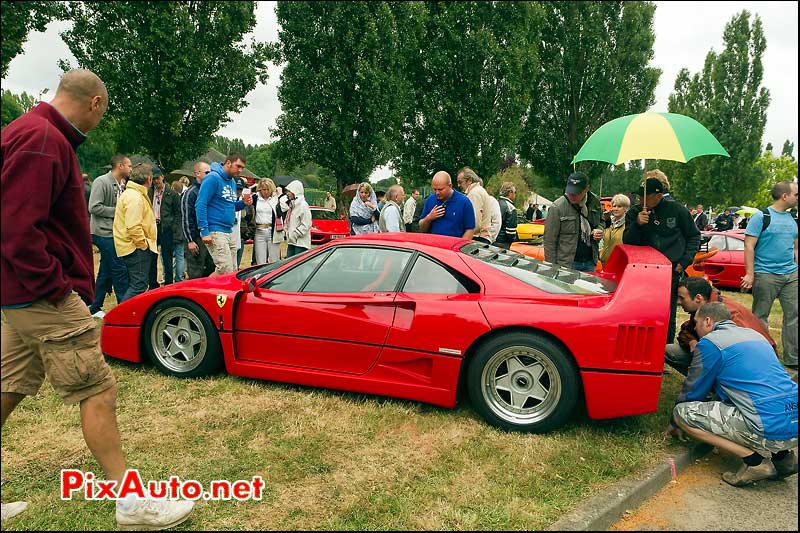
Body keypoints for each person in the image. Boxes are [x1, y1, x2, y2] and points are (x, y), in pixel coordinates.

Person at [1, 69, 193, 528]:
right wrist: (54, 286)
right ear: (95, 104)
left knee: (7, 388)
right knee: (97, 387)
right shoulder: (44, 140)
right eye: (103, 112)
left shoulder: (25, 130)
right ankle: (130, 502)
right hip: (40, 296)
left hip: (16, 296)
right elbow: (15, 228)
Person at [667, 302, 798, 487]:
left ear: (707, 321)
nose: (695, 328)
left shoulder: (711, 343)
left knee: (682, 413)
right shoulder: (755, 335)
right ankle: (784, 459)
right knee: (764, 404)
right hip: (795, 421)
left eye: (696, 323)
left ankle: (755, 463)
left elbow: (694, 389)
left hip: (769, 428)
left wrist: (674, 421)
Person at [623, 171, 700, 343]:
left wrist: (684, 261)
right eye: (639, 196)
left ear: (658, 196)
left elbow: (694, 236)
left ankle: (664, 352)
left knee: (667, 315)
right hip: (641, 272)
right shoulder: (634, 212)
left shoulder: (677, 210)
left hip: (669, 272)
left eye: (645, 197)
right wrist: (637, 225)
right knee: (639, 311)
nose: (641, 200)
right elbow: (627, 242)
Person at [665, 276, 778, 375]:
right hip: (730, 358)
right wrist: (692, 341)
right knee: (669, 350)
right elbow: (687, 330)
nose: (678, 302)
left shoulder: (729, 314)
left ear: (698, 298)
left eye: (682, 298)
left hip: (751, 365)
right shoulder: (705, 306)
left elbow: (741, 353)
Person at [741, 180, 798, 370]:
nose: (797, 198)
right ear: (785, 196)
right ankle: (763, 357)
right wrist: (750, 274)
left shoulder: (793, 218)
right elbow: (749, 246)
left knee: (794, 315)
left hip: (791, 274)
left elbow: (796, 247)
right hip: (765, 274)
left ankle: (793, 358)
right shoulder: (761, 216)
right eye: (796, 194)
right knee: (760, 316)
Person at [194, 153, 253, 275]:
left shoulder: (231, 181)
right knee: (225, 269)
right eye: (238, 166)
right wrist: (204, 230)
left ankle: (221, 293)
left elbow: (230, 206)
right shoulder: (212, 178)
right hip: (215, 230)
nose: (240, 170)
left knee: (232, 271)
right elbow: (200, 204)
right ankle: (206, 290)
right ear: (228, 163)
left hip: (229, 230)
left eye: (242, 167)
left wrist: (242, 203)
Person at [87, 153, 131, 316]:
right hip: (103, 233)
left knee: (105, 271)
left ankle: (94, 307)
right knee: (120, 269)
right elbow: (93, 207)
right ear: (120, 166)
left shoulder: (121, 183)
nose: (131, 168)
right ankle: (124, 309)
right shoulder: (101, 181)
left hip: (113, 232)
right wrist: (118, 211)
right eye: (129, 165)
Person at [115, 163, 158, 302]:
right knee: (138, 286)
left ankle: (126, 318)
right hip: (136, 248)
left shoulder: (134, 194)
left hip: (132, 246)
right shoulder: (135, 197)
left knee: (136, 285)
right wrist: (143, 244)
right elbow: (133, 227)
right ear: (149, 179)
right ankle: (120, 318)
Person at [543, 171, 603, 272]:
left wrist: (599, 229)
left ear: (586, 189)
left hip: (590, 262)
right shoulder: (557, 207)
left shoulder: (595, 202)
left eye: (576, 193)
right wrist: (551, 269)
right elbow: (549, 241)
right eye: (570, 192)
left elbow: (601, 221)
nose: (572, 195)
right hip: (567, 265)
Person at [181, 162, 215, 279]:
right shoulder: (190, 192)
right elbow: (186, 218)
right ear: (197, 174)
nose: (210, 175)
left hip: (210, 235)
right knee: (196, 273)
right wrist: (190, 240)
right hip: (196, 238)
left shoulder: (209, 190)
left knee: (211, 269)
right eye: (207, 172)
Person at [148, 167, 180, 288]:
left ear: (162, 177)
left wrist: (173, 227)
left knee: (167, 258)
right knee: (152, 258)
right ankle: (152, 284)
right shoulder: (149, 192)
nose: (156, 181)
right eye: (153, 179)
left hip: (166, 228)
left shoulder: (172, 194)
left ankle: (168, 283)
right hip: (152, 228)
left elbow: (178, 213)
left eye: (157, 178)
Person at [419, 171, 475, 239]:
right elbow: (421, 229)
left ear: (450, 186)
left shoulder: (464, 202)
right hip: (433, 247)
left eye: (440, 189)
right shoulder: (430, 200)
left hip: (454, 247)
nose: (437, 193)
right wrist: (428, 218)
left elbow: (470, 230)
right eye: (434, 189)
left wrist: (459, 247)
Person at [456, 167, 493, 243]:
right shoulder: (479, 191)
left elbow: (475, 222)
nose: (458, 185)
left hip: (478, 238)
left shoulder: (474, 194)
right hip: (483, 237)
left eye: (460, 182)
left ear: (469, 180)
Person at [252, 178, 282, 264]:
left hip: (272, 231)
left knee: (274, 259)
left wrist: (279, 196)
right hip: (259, 231)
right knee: (260, 259)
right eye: (263, 189)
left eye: (268, 189)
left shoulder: (276, 199)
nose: (265, 191)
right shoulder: (255, 198)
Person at [599, 194, 630, 267]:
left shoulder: (628, 224)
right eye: (614, 206)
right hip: (604, 264)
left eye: (619, 206)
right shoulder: (607, 223)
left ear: (625, 208)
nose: (616, 209)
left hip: (620, 264)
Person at [284, 179, 311, 257]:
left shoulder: (303, 205)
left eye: (289, 191)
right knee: (289, 265)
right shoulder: (293, 205)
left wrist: (295, 235)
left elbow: (306, 224)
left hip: (301, 243)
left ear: (295, 192)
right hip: (292, 242)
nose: (287, 194)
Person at [170, 181, 186, 282]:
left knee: (166, 256)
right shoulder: (184, 200)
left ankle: (167, 276)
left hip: (171, 231)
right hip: (181, 231)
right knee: (180, 256)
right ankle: (179, 277)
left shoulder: (171, 199)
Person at [495, 182, 518, 250]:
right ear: (510, 192)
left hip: (492, 239)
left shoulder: (495, 203)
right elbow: (511, 231)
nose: (515, 194)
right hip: (504, 243)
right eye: (515, 192)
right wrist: (514, 239)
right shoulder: (511, 208)